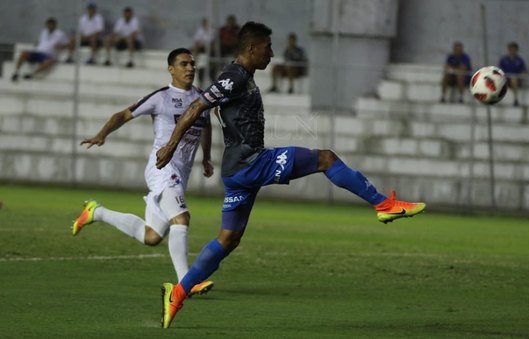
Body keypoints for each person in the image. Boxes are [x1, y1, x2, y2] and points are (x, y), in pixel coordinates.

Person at [156, 22, 426, 329]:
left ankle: (177, 292)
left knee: (229, 239)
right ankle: (383, 205)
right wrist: (170, 146)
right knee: (325, 158)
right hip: (251, 163)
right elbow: (196, 107)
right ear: (252, 49)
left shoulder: (242, 76)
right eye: (268, 48)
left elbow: (214, 107)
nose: (272, 54)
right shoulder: (233, 77)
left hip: (238, 171)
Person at [72, 48, 215, 296]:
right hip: (163, 168)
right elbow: (124, 114)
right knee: (181, 219)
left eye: (192, 64)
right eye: (184, 64)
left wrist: (207, 157)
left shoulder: (202, 97)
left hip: (181, 173)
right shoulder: (161, 97)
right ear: (171, 69)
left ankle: (96, 212)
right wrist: (102, 134)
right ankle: (186, 284)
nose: (190, 68)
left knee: (151, 236)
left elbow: (207, 125)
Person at [11, 17, 67, 82]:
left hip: (49, 55)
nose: (50, 26)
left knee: (49, 62)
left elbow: (66, 45)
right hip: (38, 52)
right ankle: (16, 72)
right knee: (24, 53)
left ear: (55, 25)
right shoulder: (44, 32)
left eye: (52, 24)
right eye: (49, 24)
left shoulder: (60, 34)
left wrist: (60, 46)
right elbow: (41, 42)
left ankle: (32, 74)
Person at [499, 42, 527, 106]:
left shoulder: (520, 60)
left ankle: (515, 99)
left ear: (517, 50)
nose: (512, 51)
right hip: (506, 78)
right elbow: (499, 69)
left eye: (514, 50)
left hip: (516, 80)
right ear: (508, 50)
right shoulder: (503, 60)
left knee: (513, 79)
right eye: (511, 49)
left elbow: (524, 70)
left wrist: (523, 73)